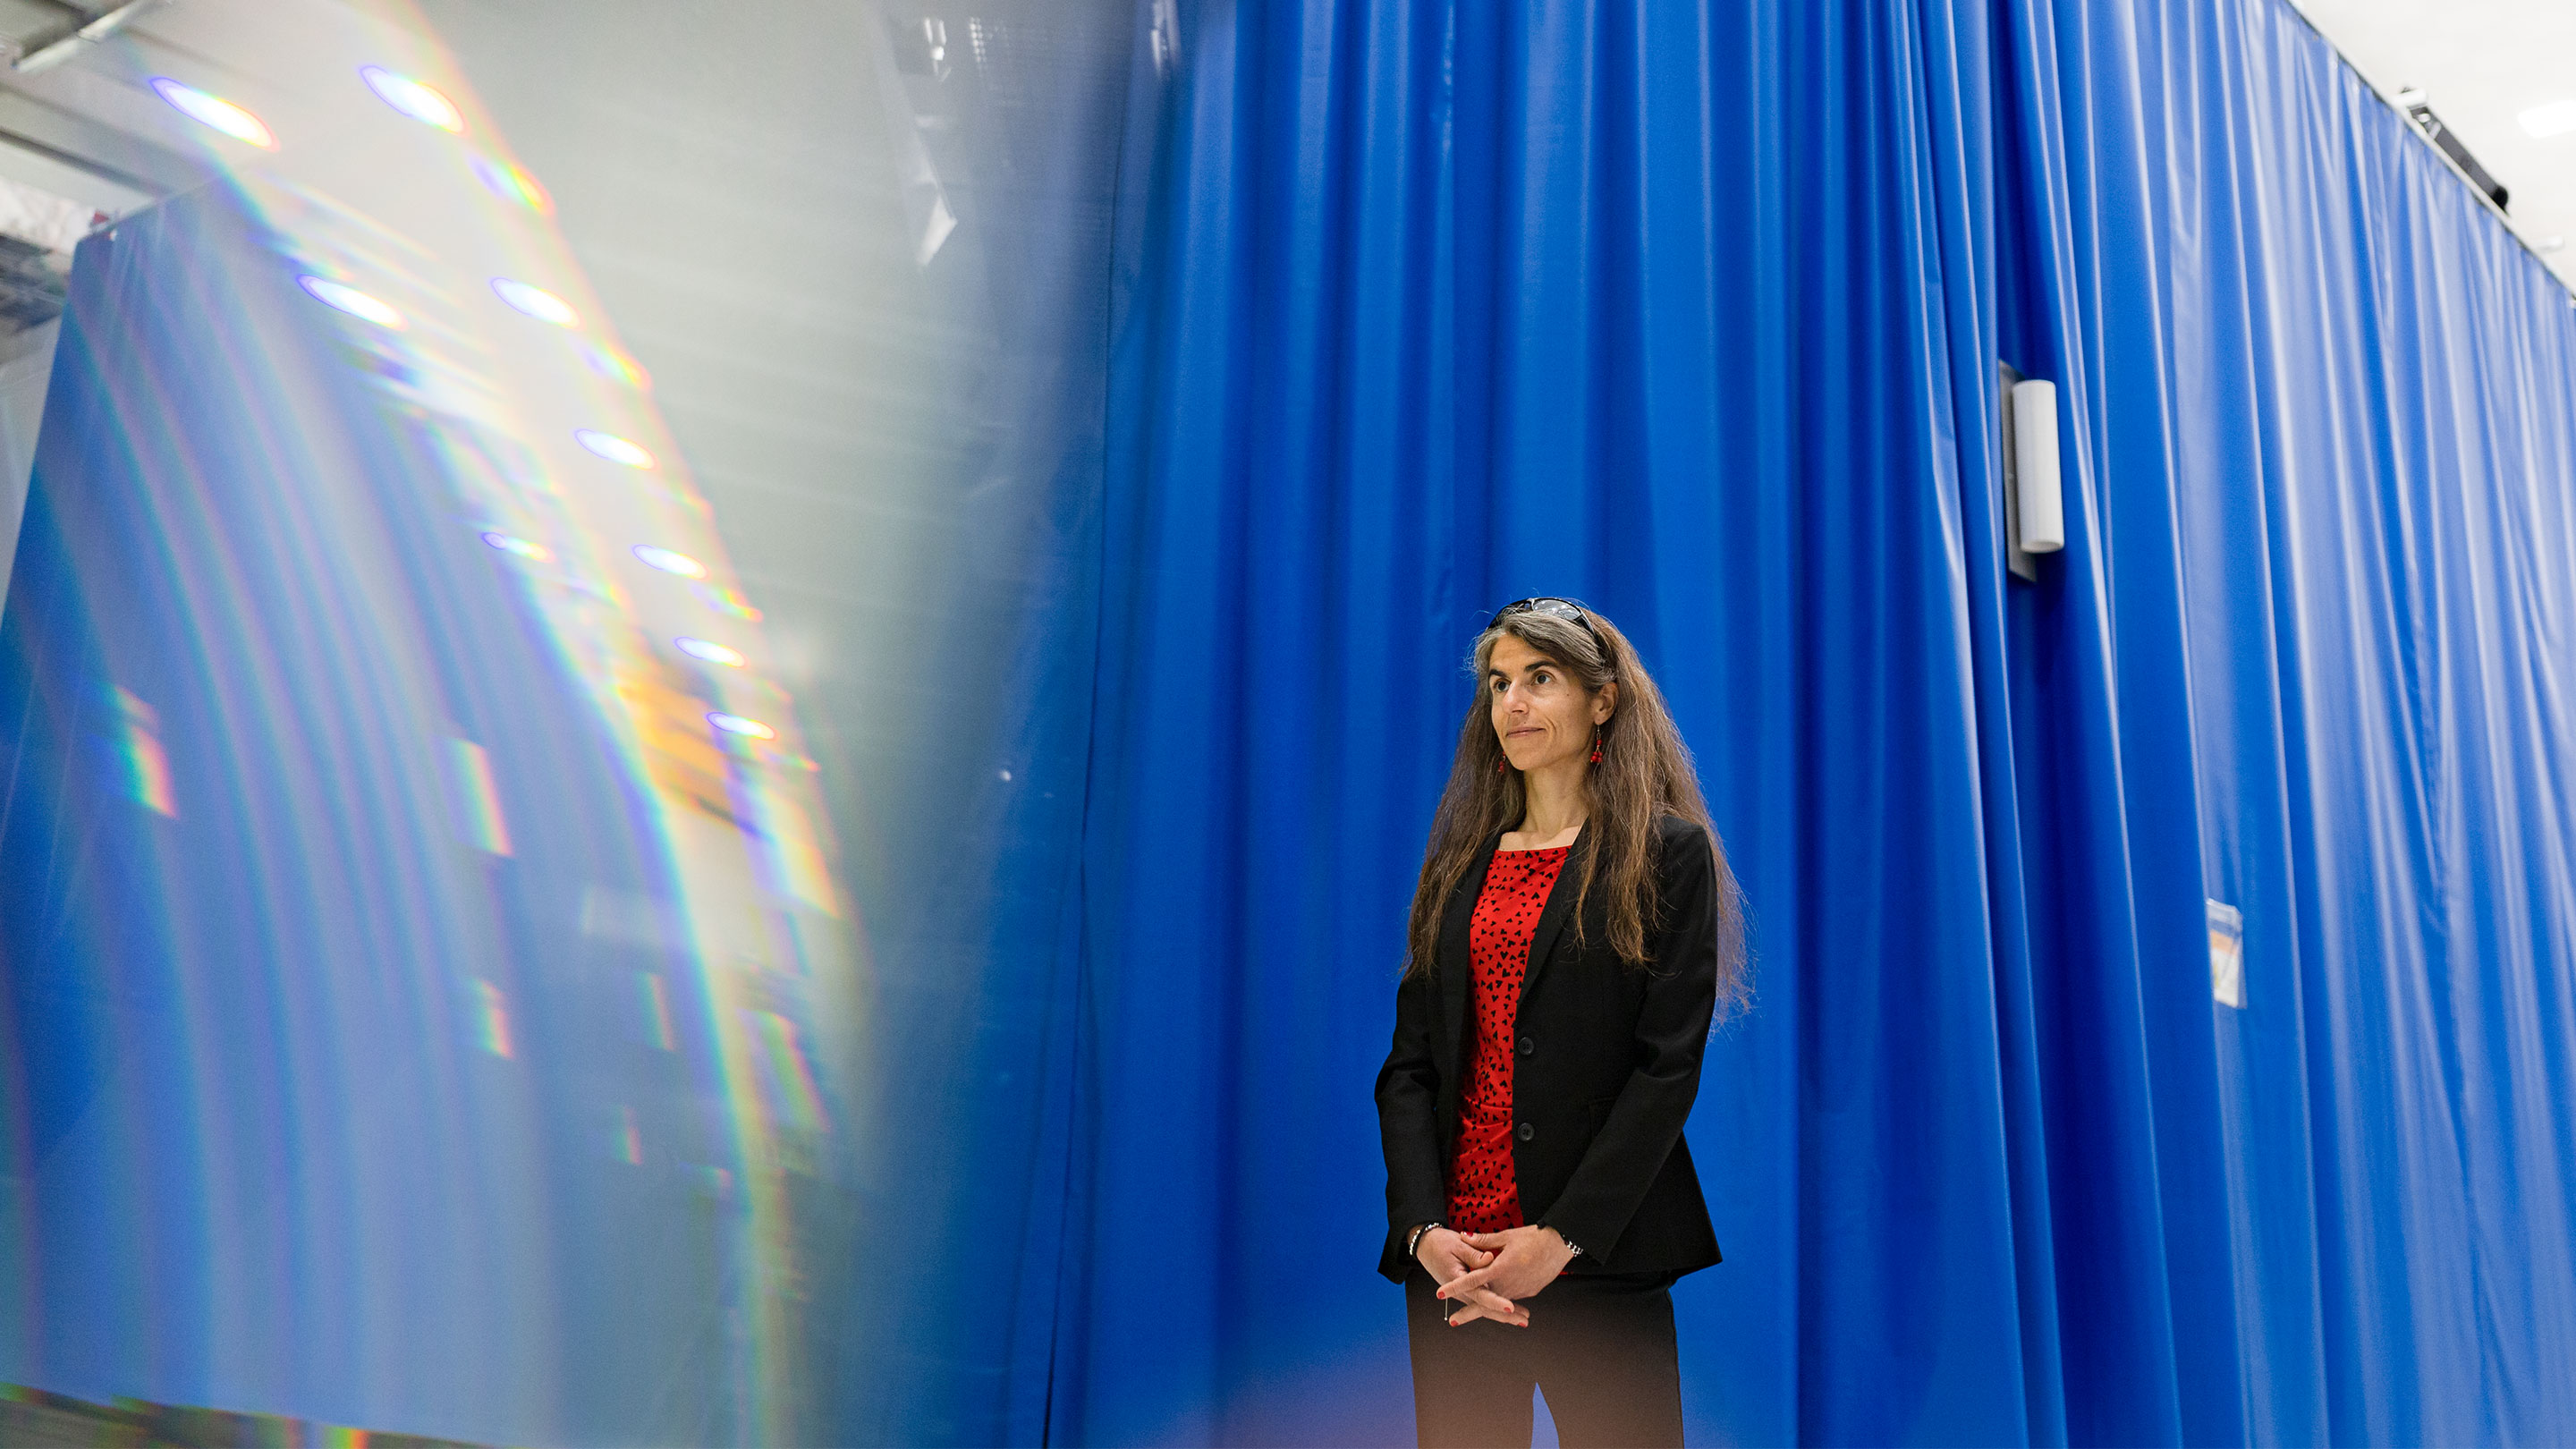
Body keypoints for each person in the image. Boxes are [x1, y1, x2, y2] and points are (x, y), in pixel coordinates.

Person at [1376, 597, 1746, 1449]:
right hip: (1457, 1271)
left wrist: (1562, 1237)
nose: (1513, 704)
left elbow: (1665, 1071)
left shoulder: (1665, 855)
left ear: (1602, 700)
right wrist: (1424, 1231)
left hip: (1598, 1258)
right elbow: (1409, 1071)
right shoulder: (1458, 866)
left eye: (1540, 680)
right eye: (1499, 683)